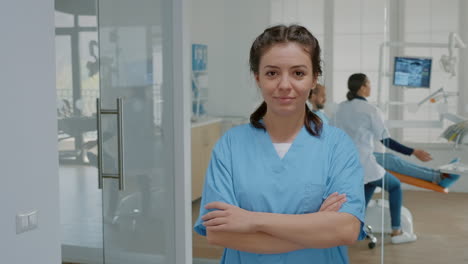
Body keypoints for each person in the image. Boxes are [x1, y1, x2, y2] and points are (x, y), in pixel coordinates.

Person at [194, 24, 366, 263]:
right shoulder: (230, 146)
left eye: (298, 73)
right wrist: (317, 224)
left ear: (315, 77)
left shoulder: (337, 145)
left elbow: (346, 230)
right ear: (258, 77)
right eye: (272, 73)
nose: (285, 85)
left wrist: (253, 220)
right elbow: (218, 232)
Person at [331, 73, 460, 244]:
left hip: (346, 164)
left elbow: (333, 136)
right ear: (362, 87)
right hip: (364, 162)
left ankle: (352, 229)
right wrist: (413, 151)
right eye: (369, 84)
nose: (370, 87)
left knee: (371, 183)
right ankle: (397, 232)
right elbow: (386, 140)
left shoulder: (341, 108)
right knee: (395, 186)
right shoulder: (370, 110)